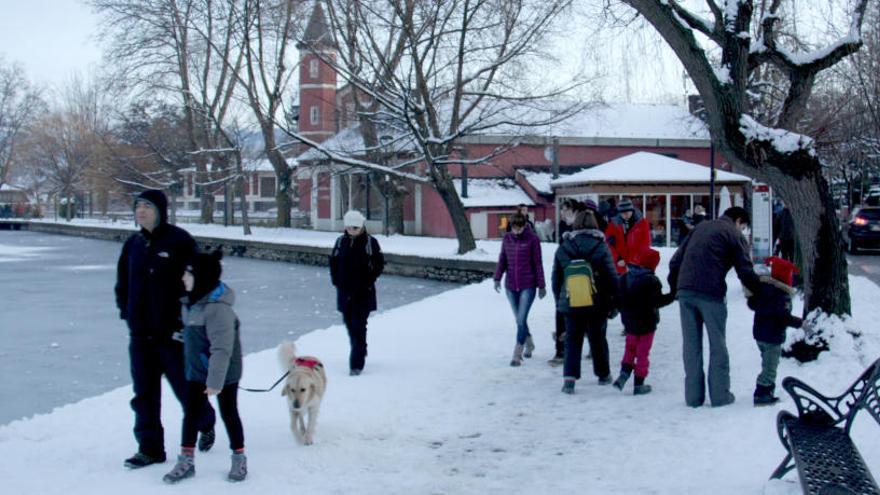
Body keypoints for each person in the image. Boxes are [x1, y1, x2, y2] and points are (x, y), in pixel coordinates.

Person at [115, 189, 216, 469]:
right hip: (141, 336)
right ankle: (150, 449)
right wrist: (127, 313)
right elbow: (122, 284)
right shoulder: (133, 245)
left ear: (160, 210)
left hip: (173, 335)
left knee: (186, 390)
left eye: (147, 206)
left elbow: (200, 283)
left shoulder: (179, 241)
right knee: (144, 394)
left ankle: (206, 421)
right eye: (137, 207)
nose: (141, 211)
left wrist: (189, 322)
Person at [163, 250, 247, 483]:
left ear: (201, 277)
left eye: (188, 274)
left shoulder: (218, 309)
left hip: (224, 373)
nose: (183, 278)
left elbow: (221, 349)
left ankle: (239, 458)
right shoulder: (191, 303)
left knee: (229, 413)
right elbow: (196, 334)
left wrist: (214, 382)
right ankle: (186, 461)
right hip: (196, 370)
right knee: (190, 414)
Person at [668, 206, 761, 407]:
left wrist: (675, 288)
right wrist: (760, 293)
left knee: (691, 345)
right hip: (711, 293)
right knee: (717, 344)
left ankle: (693, 397)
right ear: (738, 220)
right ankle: (720, 396)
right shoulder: (733, 234)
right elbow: (744, 269)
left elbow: (675, 261)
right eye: (743, 226)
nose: (742, 230)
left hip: (685, 292)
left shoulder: (699, 228)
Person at [552, 210, 618, 394]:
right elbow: (611, 276)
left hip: (571, 300)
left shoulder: (565, 246)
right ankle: (603, 374)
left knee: (572, 339)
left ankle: (569, 379)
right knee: (598, 338)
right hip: (596, 300)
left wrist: (560, 300)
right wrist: (615, 300)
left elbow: (556, 277)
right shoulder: (601, 246)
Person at [612, 247, 674, 395]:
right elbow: (657, 302)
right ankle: (639, 383)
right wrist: (672, 296)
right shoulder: (651, 281)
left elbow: (618, 300)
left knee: (630, 349)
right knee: (642, 353)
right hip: (647, 325)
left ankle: (624, 372)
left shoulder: (624, 278)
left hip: (629, 323)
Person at [330, 210, 385, 376]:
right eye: (349, 227)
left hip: (363, 292)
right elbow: (333, 262)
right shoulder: (340, 242)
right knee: (349, 326)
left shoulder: (370, 242)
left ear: (361, 227)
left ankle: (356, 364)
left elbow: (379, 264)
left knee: (359, 326)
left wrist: (368, 280)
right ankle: (361, 348)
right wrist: (336, 281)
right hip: (344, 292)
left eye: (355, 227)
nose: (352, 230)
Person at [745, 257, 803, 407]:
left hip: (760, 334)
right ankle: (763, 393)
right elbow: (783, 317)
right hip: (772, 336)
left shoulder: (764, 291)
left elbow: (754, 304)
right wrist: (800, 323)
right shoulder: (781, 296)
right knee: (770, 366)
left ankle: (766, 390)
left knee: (767, 362)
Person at [494, 212, 546, 366]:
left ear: (524, 225)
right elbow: (502, 259)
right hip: (510, 285)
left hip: (527, 285)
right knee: (519, 319)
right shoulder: (507, 239)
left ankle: (517, 353)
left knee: (521, 318)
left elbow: (538, 263)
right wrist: (497, 278)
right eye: (514, 228)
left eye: (519, 227)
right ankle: (529, 343)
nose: (517, 231)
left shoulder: (533, 240)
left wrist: (541, 286)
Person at [550, 198, 583, 365]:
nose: (562, 213)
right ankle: (560, 350)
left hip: (579, 278)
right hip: (563, 278)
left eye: (565, 210)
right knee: (560, 313)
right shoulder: (563, 228)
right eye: (561, 210)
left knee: (577, 316)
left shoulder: (582, 229)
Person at [606, 199, 652, 274]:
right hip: (620, 266)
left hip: (637, 265)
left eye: (627, 212)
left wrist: (636, 260)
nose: (626, 215)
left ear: (632, 210)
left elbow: (646, 243)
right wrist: (617, 258)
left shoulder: (642, 223)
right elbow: (609, 244)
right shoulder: (613, 225)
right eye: (623, 213)